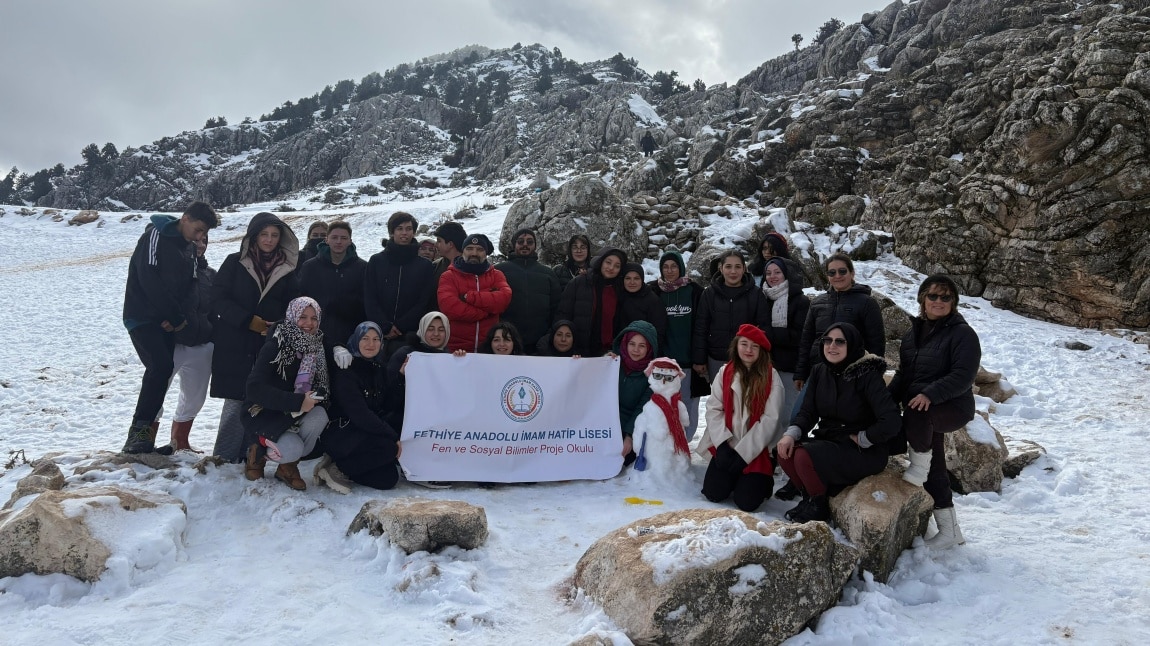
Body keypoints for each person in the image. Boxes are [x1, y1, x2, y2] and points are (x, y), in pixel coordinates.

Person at [889, 275, 981, 548]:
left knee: (917, 414)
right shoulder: (912, 335)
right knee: (936, 466)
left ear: (953, 303)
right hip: (924, 406)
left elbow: (964, 375)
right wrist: (884, 401)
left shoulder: (963, 334)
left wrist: (930, 394)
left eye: (946, 297)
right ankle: (950, 531)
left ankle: (917, 467)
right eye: (933, 296)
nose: (938, 301)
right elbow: (903, 375)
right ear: (922, 300)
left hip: (952, 405)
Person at [776, 322, 901, 522]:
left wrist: (866, 438)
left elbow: (892, 419)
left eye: (839, 342)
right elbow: (808, 411)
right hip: (832, 440)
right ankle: (809, 498)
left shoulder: (867, 374)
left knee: (802, 456)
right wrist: (791, 434)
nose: (831, 346)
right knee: (785, 451)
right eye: (828, 340)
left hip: (862, 449)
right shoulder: (819, 371)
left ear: (851, 345)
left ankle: (819, 505)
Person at [121, 201, 219, 453]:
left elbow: (187, 289)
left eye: (204, 234)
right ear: (184, 218)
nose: (199, 237)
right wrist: (173, 316)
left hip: (166, 320)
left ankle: (145, 441)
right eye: (197, 230)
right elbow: (148, 277)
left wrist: (175, 317)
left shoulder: (188, 249)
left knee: (161, 371)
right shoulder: (156, 234)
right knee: (160, 367)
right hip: (142, 317)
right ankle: (138, 437)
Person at [210, 211, 300, 463]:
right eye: (264, 234)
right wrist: (246, 319)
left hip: (267, 344)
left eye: (274, 235)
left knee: (259, 400)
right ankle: (224, 458)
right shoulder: (234, 263)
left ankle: (252, 456)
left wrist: (277, 325)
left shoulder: (288, 271)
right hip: (235, 342)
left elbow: (294, 307)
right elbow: (216, 299)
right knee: (234, 400)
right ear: (254, 236)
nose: (269, 240)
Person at [242, 297, 329, 491]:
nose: (309, 323)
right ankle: (258, 449)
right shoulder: (276, 345)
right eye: (303, 317)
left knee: (320, 417)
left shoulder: (317, 346)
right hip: (264, 413)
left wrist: (316, 395)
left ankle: (286, 467)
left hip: (292, 415)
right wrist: (297, 401)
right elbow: (253, 388)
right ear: (292, 316)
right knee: (293, 448)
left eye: (314, 318)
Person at [697, 324, 786, 512]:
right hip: (728, 442)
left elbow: (770, 419)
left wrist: (744, 453)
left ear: (761, 351)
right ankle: (735, 478)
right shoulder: (725, 372)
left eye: (755, 346)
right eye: (744, 344)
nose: (748, 350)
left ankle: (762, 481)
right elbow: (714, 409)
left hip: (756, 448)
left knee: (747, 503)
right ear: (736, 346)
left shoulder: (772, 376)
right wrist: (721, 444)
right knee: (713, 493)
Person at [319, 321, 403, 492]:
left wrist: (401, 378)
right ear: (356, 339)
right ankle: (337, 469)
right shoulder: (346, 369)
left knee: (389, 479)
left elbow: (387, 404)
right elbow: (360, 414)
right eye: (365, 338)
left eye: (375, 339)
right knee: (388, 448)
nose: (370, 344)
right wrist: (392, 436)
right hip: (343, 432)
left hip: (364, 432)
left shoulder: (379, 368)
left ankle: (344, 465)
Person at [155, 234, 217, 455]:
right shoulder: (172, 270)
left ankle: (180, 441)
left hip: (202, 344)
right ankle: (143, 441)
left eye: (204, 242)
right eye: (196, 241)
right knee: (156, 392)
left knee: (194, 397)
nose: (200, 246)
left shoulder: (211, 275)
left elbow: (216, 309)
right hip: (171, 342)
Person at [794, 253, 884, 391]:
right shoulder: (817, 303)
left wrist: (872, 377)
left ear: (852, 273)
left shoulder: (867, 303)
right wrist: (800, 373)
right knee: (801, 412)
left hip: (853, 375)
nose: (837, 276)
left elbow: (876, 343)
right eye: (832, 272)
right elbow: (806, 340)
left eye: (842, 271)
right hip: (818, 371)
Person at [649, 250, 705, 440]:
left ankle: (684, 443)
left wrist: (699, 357)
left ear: (680, 267)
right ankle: (664, 446)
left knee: (688, 405)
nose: (670, 270)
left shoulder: (695, 291)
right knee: (662, 403)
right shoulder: (654, 291)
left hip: (689, 361)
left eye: (673, 266)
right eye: (665, 266)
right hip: (663, 361)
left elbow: (701, 326)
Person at [692, 250, 770, 384]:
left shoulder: (756, 294)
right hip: (716, 358)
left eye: (737, 267)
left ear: (744, 268)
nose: (733, 271)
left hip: (747, 359)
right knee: (720, 400)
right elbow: (701, 327)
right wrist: (699, 359)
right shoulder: (709, 294)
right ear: (720, 268)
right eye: (728, 266)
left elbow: (764, 328)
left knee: (745, 401)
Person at [364, 211, 435, 358]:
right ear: (392, 232)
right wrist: (385, 325)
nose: (404, 233)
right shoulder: (377, 261)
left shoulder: (424, 266)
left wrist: (402, 325)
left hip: (410, 335)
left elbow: (424, 300)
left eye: (408, 229)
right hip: (378, 333)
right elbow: (370, 296)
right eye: (400, 228)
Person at [299, 221, 367, 367]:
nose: (338, 242)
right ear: (327, 239)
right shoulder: (310, 267)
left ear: (350, 241)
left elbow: (364, 304)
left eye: (343, 238)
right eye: (334, 237)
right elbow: (302, 301)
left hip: (350, 336)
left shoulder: (362, 268)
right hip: (315, 335)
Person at [437, 234, 512, 352]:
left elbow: (503, 299)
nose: (474, 253)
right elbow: (449, 306)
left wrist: (469, 297)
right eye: (469, 248)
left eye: (480, 250)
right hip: (456, 349)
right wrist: (487, 310)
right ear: (463, 251)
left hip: (488, 348)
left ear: (486, 253)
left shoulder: (496, 275)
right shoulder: (449, 276)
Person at [495, 228, 561, 354]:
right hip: (506, 341)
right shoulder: (498, 271)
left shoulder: (548, 274)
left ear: (535, 246)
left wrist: (549, 334)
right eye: (520, 241)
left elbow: (556, 307)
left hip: (539, 342)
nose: (525, 244)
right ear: (514, 245)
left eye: (530, 242)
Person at [761, 258, 810, 418]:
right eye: (768, 273)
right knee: (764, 414)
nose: (772, 276)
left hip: (789, 366)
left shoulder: (800, 301)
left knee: (786, 414)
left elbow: (799, 336)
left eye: (777, 272)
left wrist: (766, 333)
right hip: (764, 366)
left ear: (786, 274)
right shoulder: (762, 298)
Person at [556, 247, 627, 356]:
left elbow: (619, 324)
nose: (611, 268)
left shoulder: (619, 289)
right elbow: (563, 315)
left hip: (606, 353)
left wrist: (615, 349)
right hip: (577, 351)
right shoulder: (579, 283)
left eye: (617, 266)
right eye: (608, 262)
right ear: (601, 262)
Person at [611, 320, 659, 467]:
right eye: (632, 344)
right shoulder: (612, 363)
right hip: (605, 423)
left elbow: (641, 409)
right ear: (625, 343)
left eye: (642, 346)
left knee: (619, 458)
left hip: (630, 424)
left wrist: (629, 435)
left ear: (649, 348)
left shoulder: (652, 376)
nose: (636, 350)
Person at [615, 262, 668, 351]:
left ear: (642, 279)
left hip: (643, 352)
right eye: (628, 278)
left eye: (636, 278)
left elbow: (659, 331)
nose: (632, 282)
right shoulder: (619, 297)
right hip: (620, 351)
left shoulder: (652, 300)